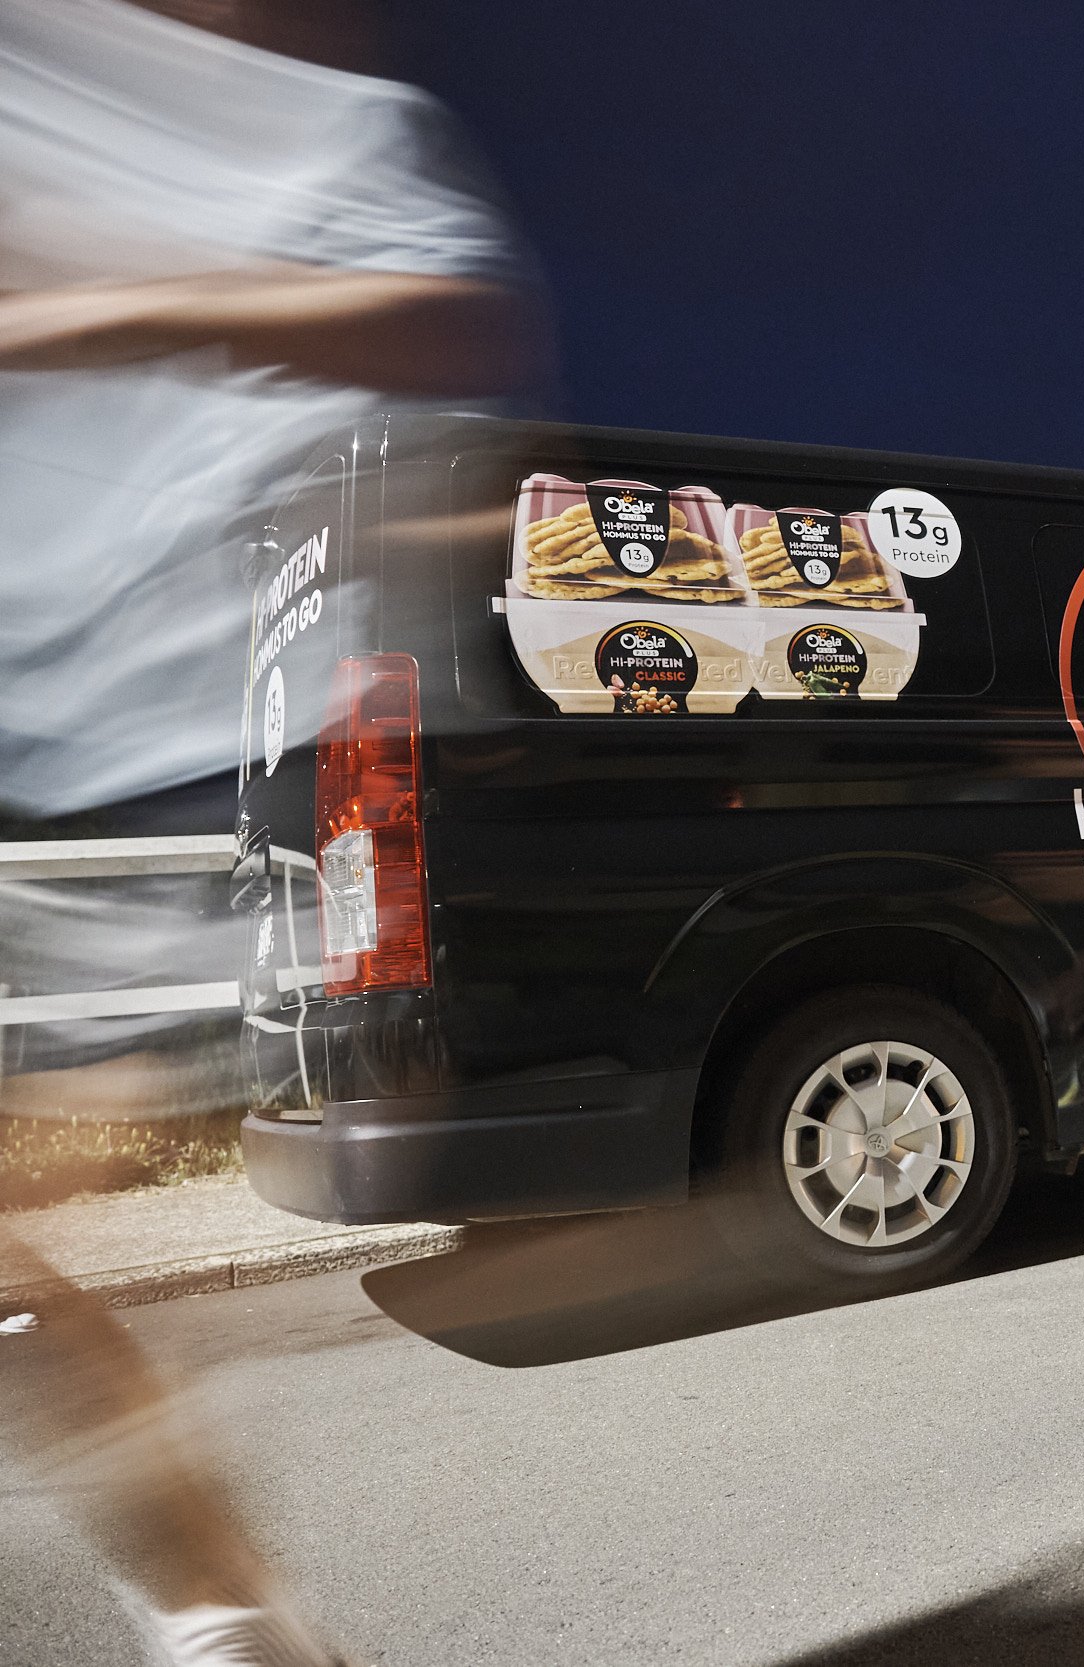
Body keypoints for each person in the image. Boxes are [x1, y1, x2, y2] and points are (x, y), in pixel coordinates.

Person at [0, 1, 540, 1660]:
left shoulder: (329, 128)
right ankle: (226, 1617)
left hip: (211, 740)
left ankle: (222, 1617)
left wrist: (106, 307)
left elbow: (455, 322)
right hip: (43, 729)